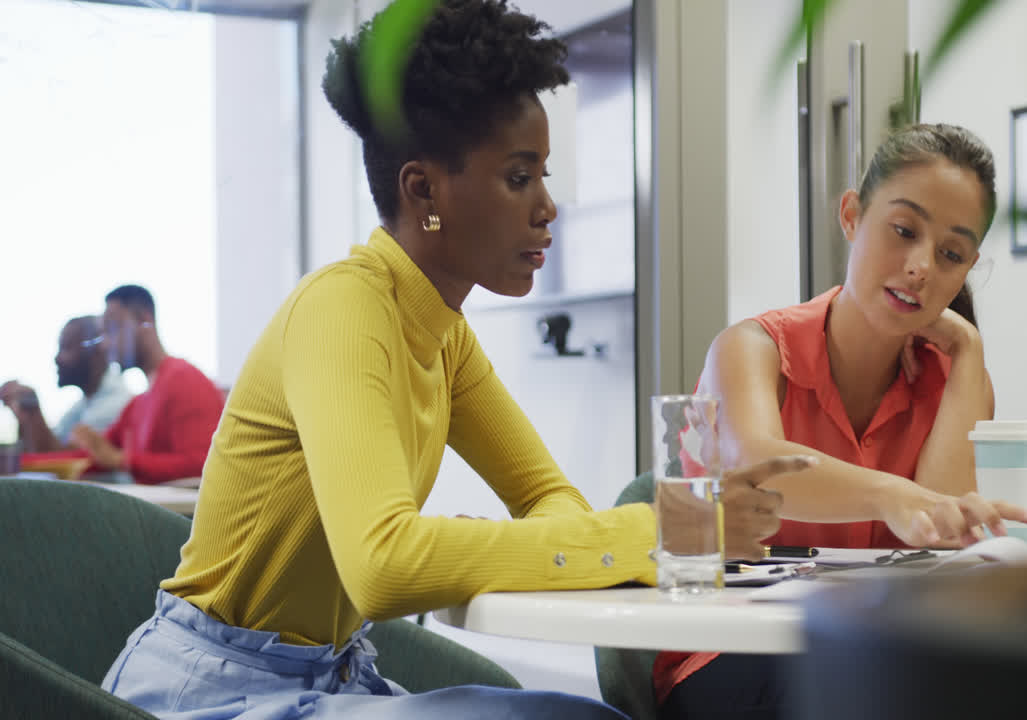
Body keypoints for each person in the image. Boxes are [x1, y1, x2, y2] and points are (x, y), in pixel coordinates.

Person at [99, 2, 810, 718]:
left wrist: (598, 535)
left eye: (543, 175)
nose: (548, 207)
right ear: (423, 191)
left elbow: (548, 499)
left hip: (331, 675)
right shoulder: (344, 310)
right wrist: (657, 530)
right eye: (518, 177)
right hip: (209, 690)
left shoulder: (443, 334)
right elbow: (384, 566)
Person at [653, 124, 1027, 720]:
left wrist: (968, 356)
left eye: (951, 255)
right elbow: (760, 467)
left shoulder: (956, 380)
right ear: (853, 216)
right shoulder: (752, 348)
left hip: (878, 655)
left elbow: (939, 528)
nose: (920, 268)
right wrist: (890, 496)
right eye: (905, 231)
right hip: (734, 654)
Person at [24, 285, 225, 484]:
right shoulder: (138, 403)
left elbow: (202, 464)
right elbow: (90, 457)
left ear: (144, 321)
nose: (105, 344)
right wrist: (21, 462)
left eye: (113, 329)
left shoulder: (185, 380)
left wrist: (122, 460)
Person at [1, 315, 133, 452]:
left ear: (95, 352)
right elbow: (49, 445)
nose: (57, 358)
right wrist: (26, 417)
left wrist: (33, 410)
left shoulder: (116, 403)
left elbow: (64, 459)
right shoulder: (84, 404)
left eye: (66, 347)